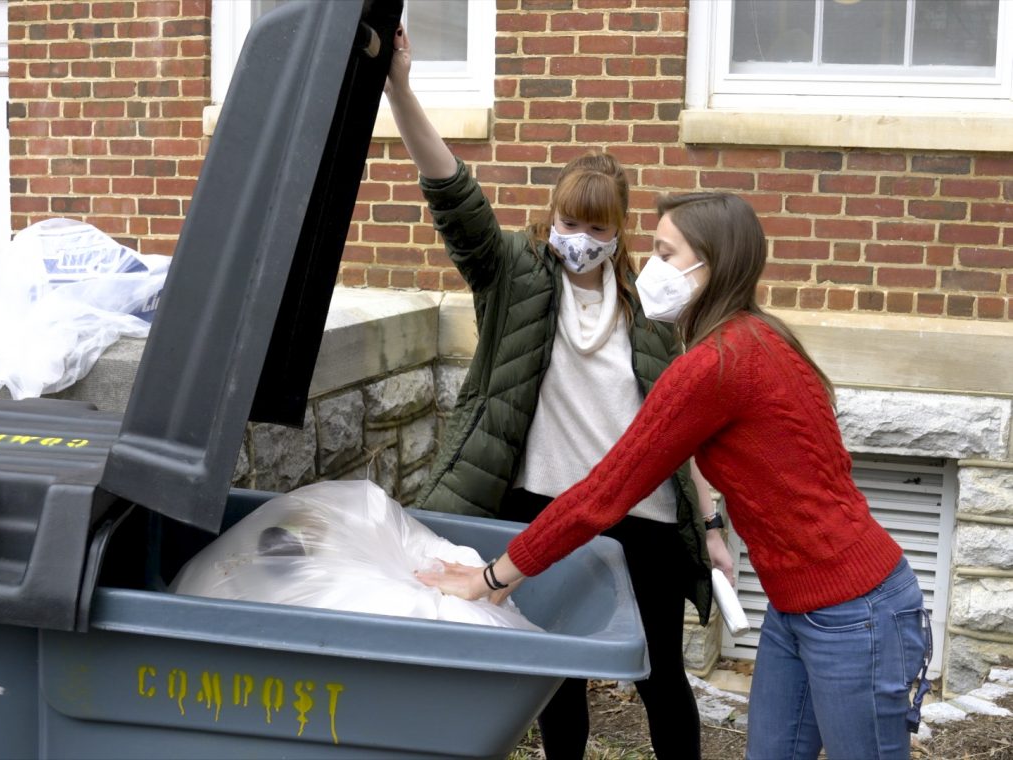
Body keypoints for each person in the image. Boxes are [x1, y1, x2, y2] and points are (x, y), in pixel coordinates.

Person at [418, 190, 934, 760]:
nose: (651, 269)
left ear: (710, 264)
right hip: (800, 610)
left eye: (666, 253)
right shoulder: (760, 338)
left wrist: (490, 578)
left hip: (853, 613)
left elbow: (604, 491)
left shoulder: (719, 363)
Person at [385, 27, 733, 760]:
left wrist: (712, 527)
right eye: (568, 221)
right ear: (552, 218)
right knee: (558, 676)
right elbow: (452, 191)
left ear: (619, 230)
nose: (578, 236)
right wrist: (399, 89)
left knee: (660, 677)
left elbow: (687, 428)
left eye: (595, 226)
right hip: (539, 510)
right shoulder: (514, 274)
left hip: (642, 518)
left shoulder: (654, 305)